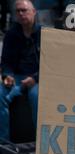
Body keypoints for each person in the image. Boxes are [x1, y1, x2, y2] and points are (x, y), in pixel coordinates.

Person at [0, 0, 40, 142]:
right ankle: (4, 144)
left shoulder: (44, 33)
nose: (21, 13)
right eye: (18, 11)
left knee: (37, 97)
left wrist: (35, 78)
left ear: (34, 12)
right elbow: (6, 62)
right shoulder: (11, 35)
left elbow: (51, 63)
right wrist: (8, 76)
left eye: (24, 10)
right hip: (16, 77)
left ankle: (39, 143)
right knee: (0, 94)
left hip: (37, 79)